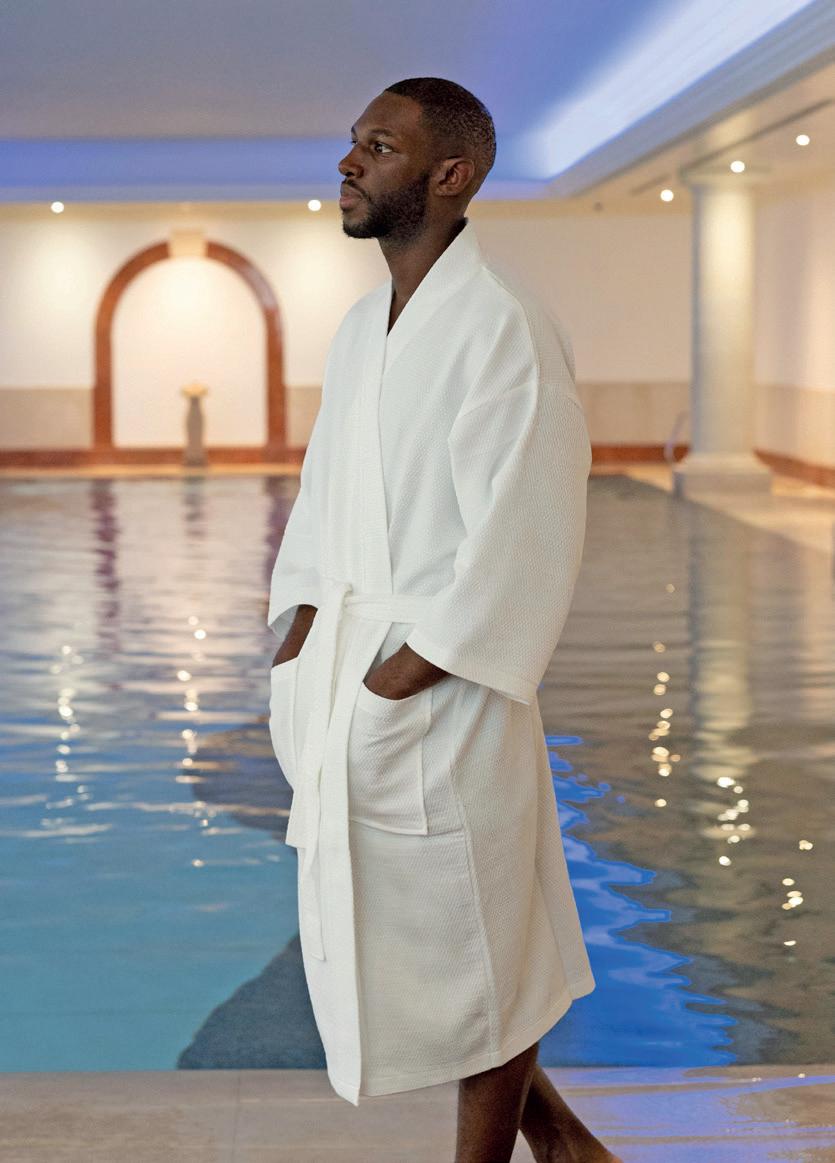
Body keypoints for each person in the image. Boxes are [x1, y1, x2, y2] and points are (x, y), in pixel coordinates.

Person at [267, 76, 622, 1163]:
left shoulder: (504, 325)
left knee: (481, 950)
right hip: (349, 676)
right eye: (354, 142)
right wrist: (300, 642)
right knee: (417, 943)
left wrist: (405, 673)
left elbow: (527, 529)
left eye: (379, 146)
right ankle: (565, 1141)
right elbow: (321, 499)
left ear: (450, 175)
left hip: (443, 682)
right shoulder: (360, 327)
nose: (348, 162)